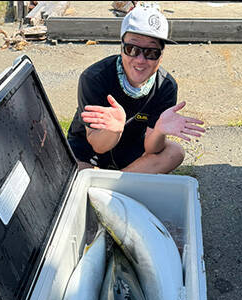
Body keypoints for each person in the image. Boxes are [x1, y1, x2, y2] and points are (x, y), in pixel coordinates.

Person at [66, 4, 205, 173]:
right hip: (90, 150)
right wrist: (114, 130)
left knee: (175, 152)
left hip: (131, 150)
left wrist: (159, 131)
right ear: (121, 47)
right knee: (75, 169)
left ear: (161, 55)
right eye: (132, 49)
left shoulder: (166, 86)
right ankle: (121, 180)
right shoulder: (94, 78)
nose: (140, 60)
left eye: (151, 52)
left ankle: (115, 179)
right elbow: (98, 146)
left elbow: (152, 148)